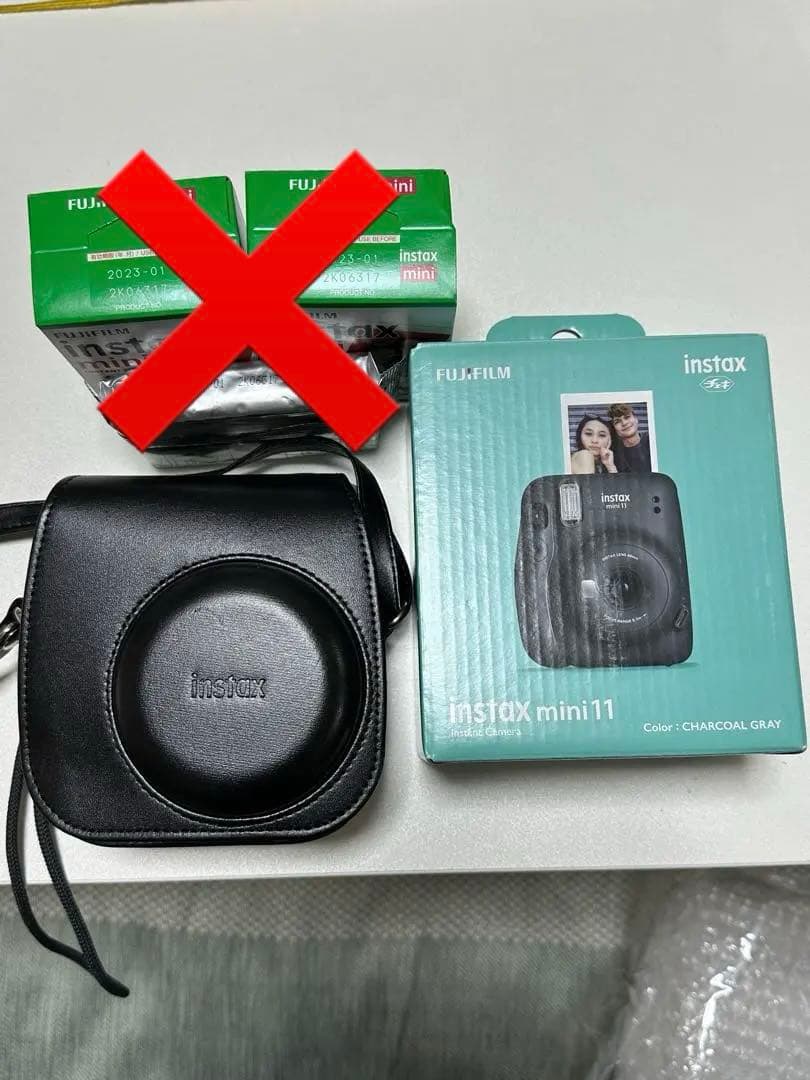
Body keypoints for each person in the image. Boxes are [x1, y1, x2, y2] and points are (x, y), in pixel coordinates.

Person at [607, 402, 652, 473]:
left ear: (636, 419)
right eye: (617, 421)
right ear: (614, 428)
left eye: (627, 417)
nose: (624, 423)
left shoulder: (651, 440)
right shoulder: (612, 454)